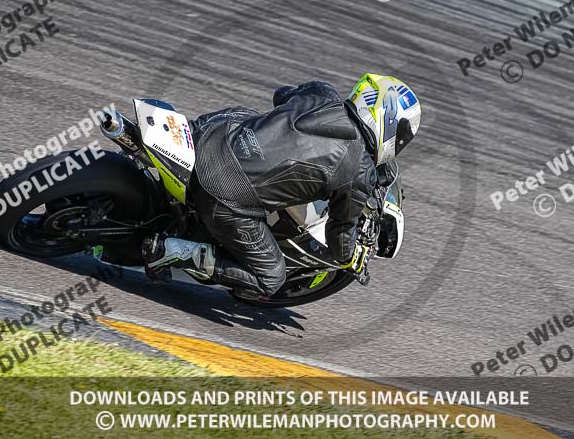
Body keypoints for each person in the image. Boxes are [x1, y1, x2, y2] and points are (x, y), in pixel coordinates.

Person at [144, 74, 421, 298]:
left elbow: (281, 95)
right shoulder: (358, 172)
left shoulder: (323, 94)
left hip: (213, 133)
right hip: (224, 190)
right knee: (272, 277)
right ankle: (171, 252)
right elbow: (340, 234)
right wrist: (352, 258)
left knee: (250, 115)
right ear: (390, 126)